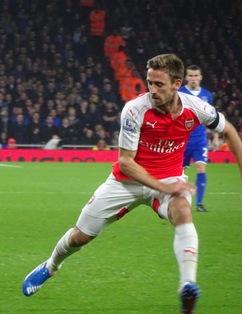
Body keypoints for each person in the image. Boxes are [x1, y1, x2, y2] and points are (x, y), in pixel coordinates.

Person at [22, 54, 242, 313]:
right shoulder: (135, 109)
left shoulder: (196, 108)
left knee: (182, 210)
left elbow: (229, 131)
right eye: (150, 83)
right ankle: (50, 266)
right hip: (126, 181)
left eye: (159, 84)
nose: (153, 90)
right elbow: (126, 162)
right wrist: (164, 187)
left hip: (169, 177)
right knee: (80, 237)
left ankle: (187, 286)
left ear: (177, 83)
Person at [179, 65, 219, 212]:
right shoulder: (180, 93)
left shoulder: (207, 95)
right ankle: (175, 200)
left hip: (199, 139)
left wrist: (215, 136)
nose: (193, 78)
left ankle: (199, 204)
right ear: (186, 77)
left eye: (196, 76)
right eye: (190, 76)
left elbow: (212, 117)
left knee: (201, 168)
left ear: (200, 77)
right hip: (182, 139)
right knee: (179, 171)